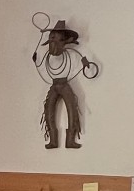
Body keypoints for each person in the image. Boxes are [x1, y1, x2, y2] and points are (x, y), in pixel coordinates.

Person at [33, 15, 99, 149]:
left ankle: (70, 140)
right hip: (54, 84)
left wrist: (85, 63)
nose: (54, 43)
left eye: (59, 40)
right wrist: (35, 59)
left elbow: (81, 57)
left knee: (72, 109)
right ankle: (53, 140)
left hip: (64, 84)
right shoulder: (47, 57)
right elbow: (40, 64)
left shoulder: (71, 53)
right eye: (52, 39)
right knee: (48, 111)